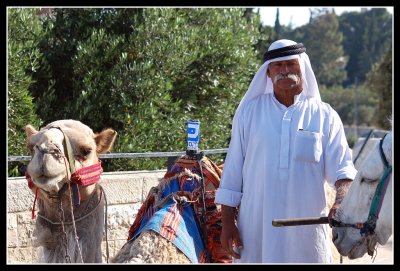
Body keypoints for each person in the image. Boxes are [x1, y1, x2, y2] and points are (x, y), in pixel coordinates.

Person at [214, 39, 357, 263]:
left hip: (307, 236)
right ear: (268, 73)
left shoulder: (325, 116)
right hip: (254, 230)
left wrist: (340, 202)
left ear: (303, 67)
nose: (285, 71)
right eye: (278, 66)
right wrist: (227, 224)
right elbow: (232, 173)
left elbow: (343, 171)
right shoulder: (249, 113)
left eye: (291, 64)